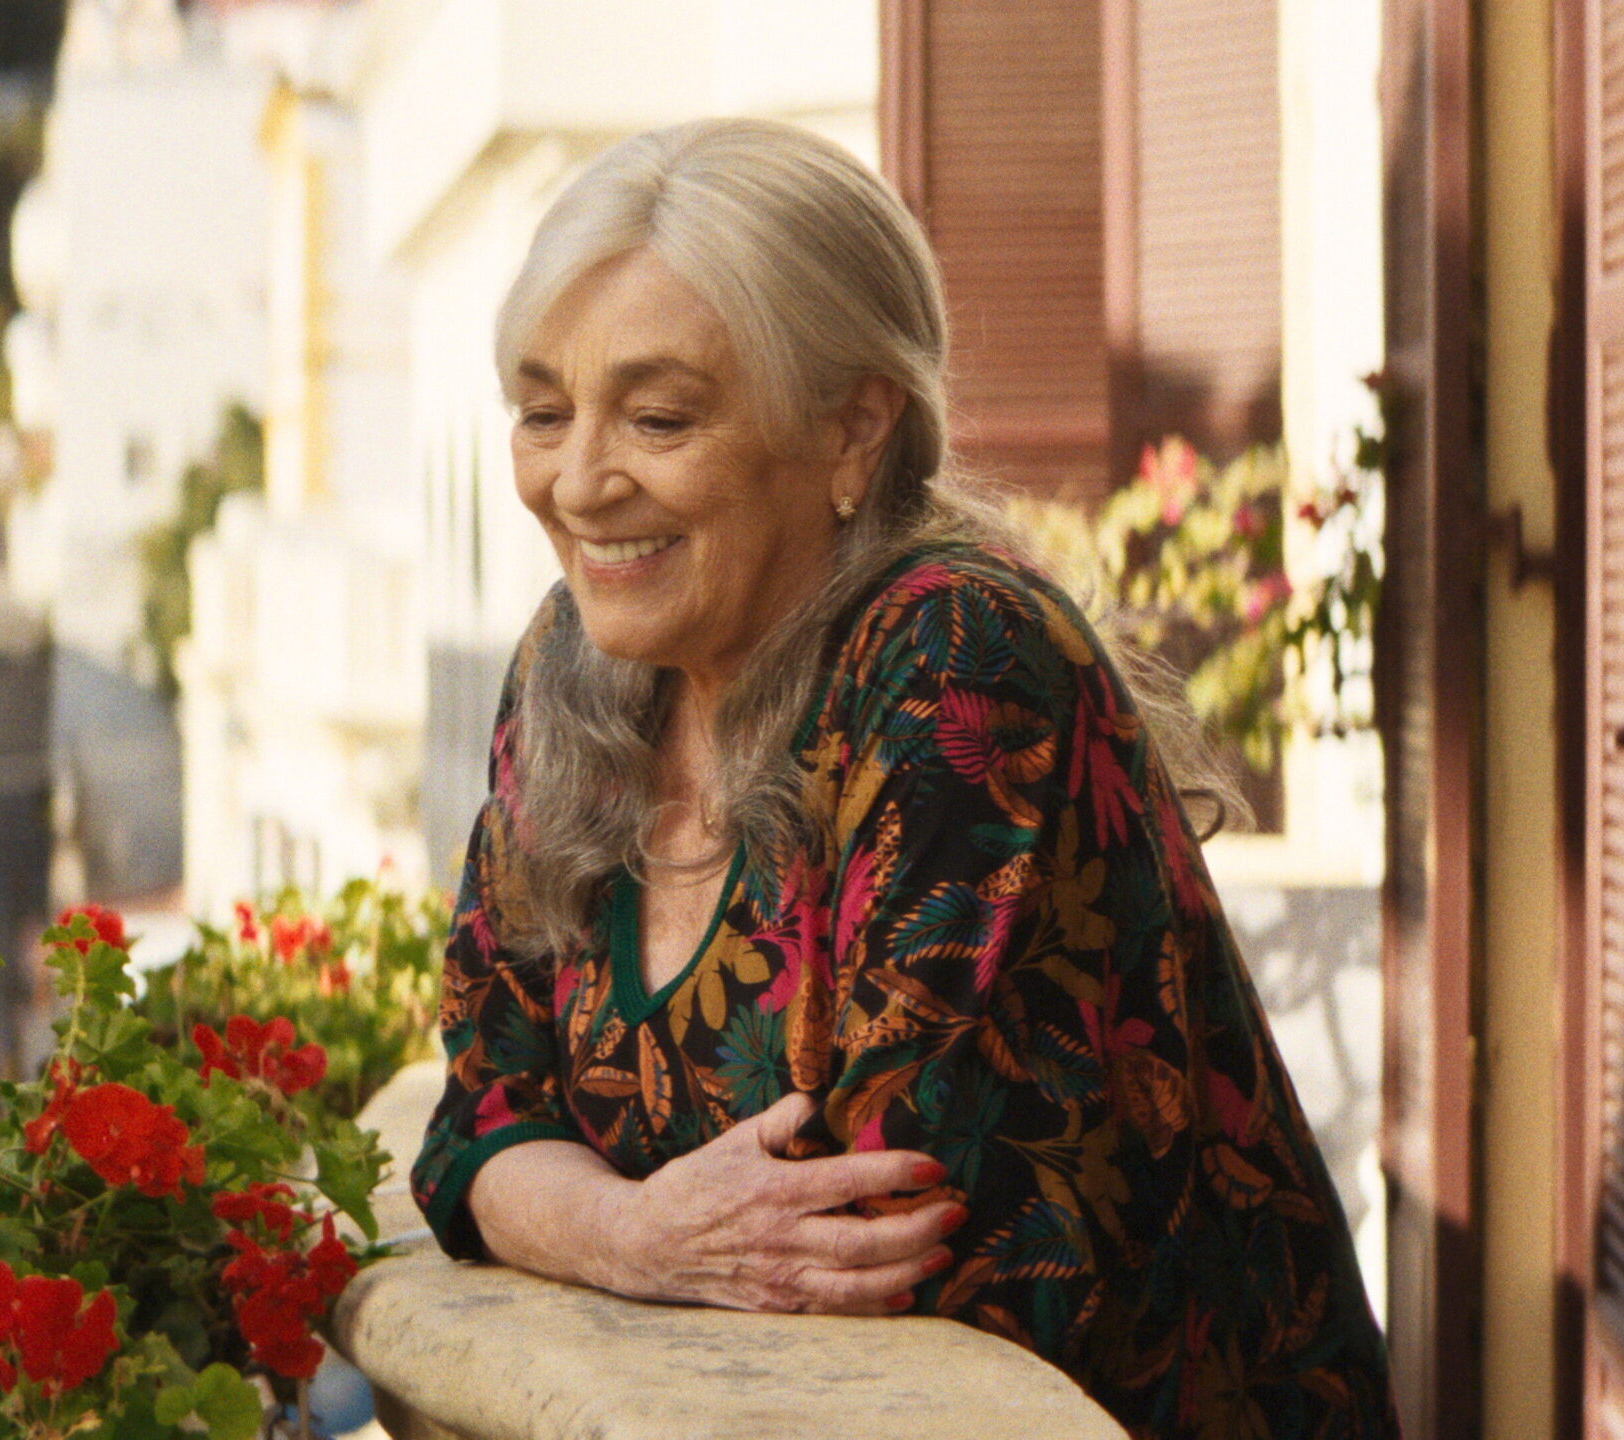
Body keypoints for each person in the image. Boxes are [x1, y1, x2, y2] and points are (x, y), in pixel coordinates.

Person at [409, 118, 1398, 1437]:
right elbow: (477, 1117)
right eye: (543, 413)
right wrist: (634, 1233)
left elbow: (864, 1227)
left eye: (658, 418)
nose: (578, 483)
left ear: (851, 431)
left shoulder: (954, 658)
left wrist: (583, 1212)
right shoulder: (576, 661)